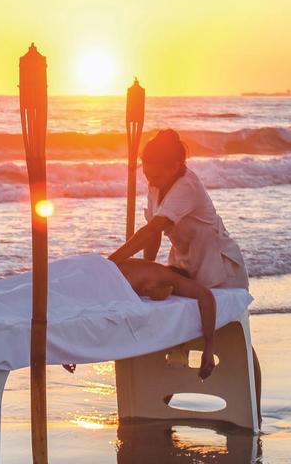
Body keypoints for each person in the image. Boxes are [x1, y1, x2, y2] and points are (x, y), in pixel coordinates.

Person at [107, 129, 262, 422]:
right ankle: (161, 401)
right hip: (185, 263)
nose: (150, 179)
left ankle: (254, 407)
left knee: (236, 338)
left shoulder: (187, 186)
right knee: (176, 326)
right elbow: (154, 235)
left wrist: (111, 262)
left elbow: (153, 229)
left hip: (219, 266)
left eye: (156, 174)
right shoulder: (156, 185)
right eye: (146, 173)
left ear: (175, 166)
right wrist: (145, 268)